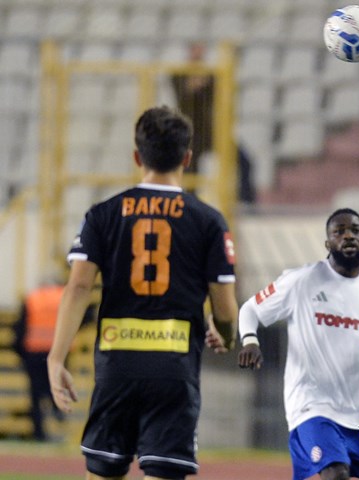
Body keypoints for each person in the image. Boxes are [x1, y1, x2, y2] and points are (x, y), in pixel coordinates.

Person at [47, 106, 239, 480]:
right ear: (187, 157)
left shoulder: (102, 214)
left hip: (116, 366)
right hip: (173, 369)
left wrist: (56, 358)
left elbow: (78, 287)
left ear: (137, 157)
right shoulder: (208, 221)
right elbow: (226, 309)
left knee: (103, 470)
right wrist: (226, 335)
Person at [237, 208, 359, 480]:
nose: (348, 236)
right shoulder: (301, 281)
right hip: (313, 408)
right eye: (339, 231)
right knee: (336, 473)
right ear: (327, 243)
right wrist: (250, 340)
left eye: (355, 230)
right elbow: (250, 309)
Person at [171, 41, 255, 202]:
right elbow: (186, 92)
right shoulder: (179, 74)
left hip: (211, 131)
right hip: (191, 133)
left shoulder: (212, 75)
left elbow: (218, 91)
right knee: (189, 170)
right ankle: (190, 204)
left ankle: (247, 202)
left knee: (244, 161)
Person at [12, 283, 67, 441]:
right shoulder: (63, 295)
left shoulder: (33, 298)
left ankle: (40, 433)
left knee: (36, 394)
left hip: (34, 351)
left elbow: (21, 326)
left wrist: (20, 352)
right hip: (59, 351)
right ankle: (59, 418)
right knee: (56, 388)